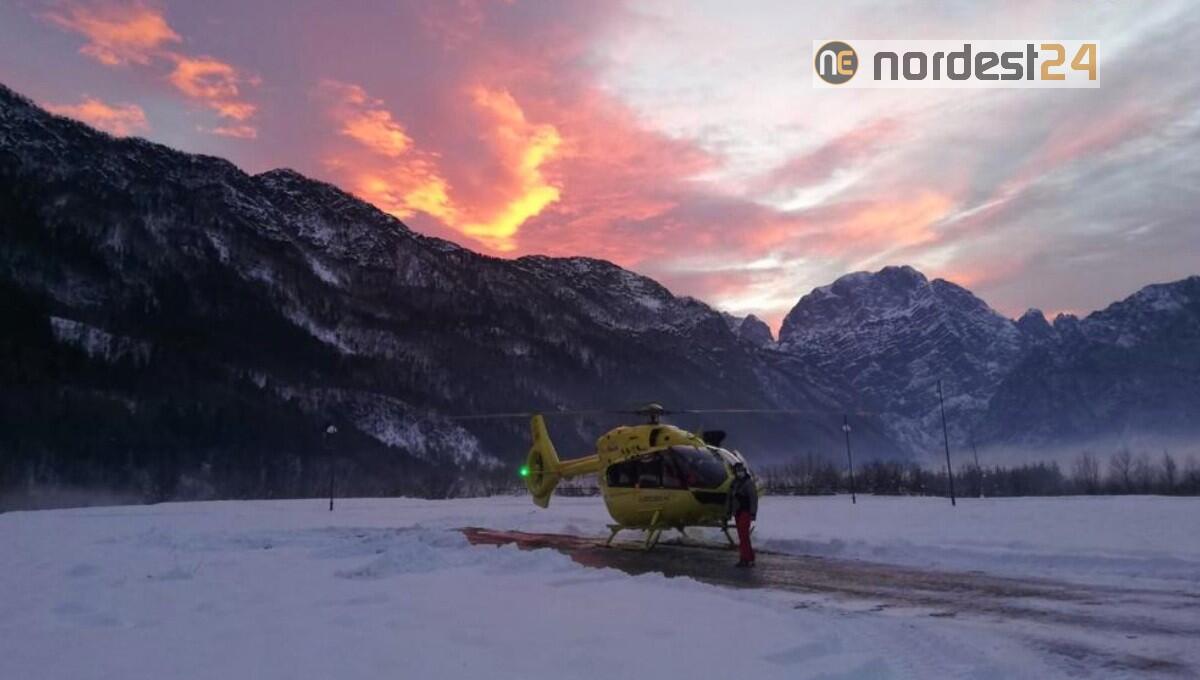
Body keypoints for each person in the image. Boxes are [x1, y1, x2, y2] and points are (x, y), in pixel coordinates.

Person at [727, 462, 758, 567]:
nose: (739, 472)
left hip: (746, 511)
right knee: (742, 536)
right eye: (737, 471)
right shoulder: (734, 483)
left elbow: (753, 499)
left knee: (744, 536)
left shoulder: (748, 483)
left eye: (741, 470)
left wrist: (753, 513)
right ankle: (748, 557)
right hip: (738, 512)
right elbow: (730, 498)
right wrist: (729, 511)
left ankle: (745, 558)